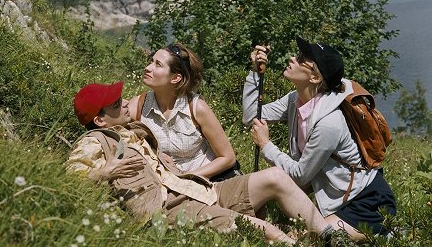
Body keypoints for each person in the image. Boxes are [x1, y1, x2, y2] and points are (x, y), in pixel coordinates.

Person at [67, 81, 337, 244]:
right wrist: (103, 173)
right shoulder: (93, 142)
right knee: (264, 229)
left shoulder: (132, 131)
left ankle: (333, 239)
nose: (125, 102)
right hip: (173, 207)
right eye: (115, 104)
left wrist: (162, 163)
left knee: (276, 177)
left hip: (196, 188)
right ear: (100, 120)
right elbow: (69, 184)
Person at [243, 37, 397, 239]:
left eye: (300, 58)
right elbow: (251, 117)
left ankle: (385, 232)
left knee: (312, 238)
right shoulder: (294, 100)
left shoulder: (329, 123)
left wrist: (266, 145)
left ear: (315, 77)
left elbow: (300, 175)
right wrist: (255, 72)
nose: (292, 58)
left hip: (365, 203)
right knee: (291, 234)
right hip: (339, 198)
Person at [128, 43, 239, 181]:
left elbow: (228, 158)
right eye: (151, 61)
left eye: (158, 64)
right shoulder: (138, 105)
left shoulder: (196, 108)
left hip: (209, 178)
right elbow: (106, 127)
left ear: (175, 78)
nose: (147, 68)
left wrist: (185, 178)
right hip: (165, 181)